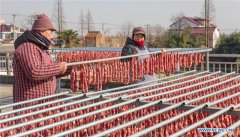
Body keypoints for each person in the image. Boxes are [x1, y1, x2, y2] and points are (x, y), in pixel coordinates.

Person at [12, 14, 70, 104]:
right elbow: (34, 72)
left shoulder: (41, 49)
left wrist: (68, 69)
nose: (52, 36)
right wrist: (58, 67)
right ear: (42, 31)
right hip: (30, 106)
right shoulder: (28, 47)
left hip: (42, 103)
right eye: (50, 32)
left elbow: (47, 73)